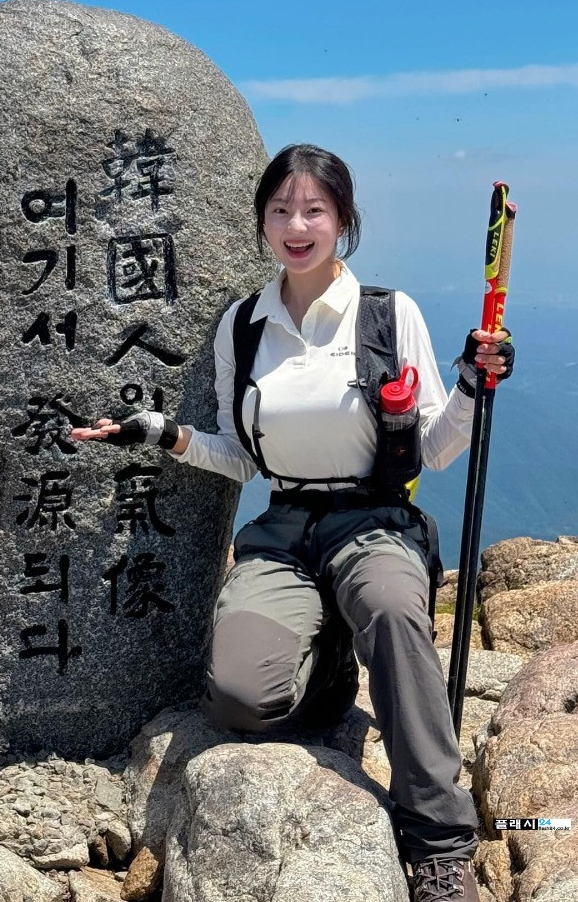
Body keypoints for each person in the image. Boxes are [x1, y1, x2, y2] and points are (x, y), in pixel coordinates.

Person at [72, 145, 514, 902]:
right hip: (285, 528)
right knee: (239, 698)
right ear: (261, 223)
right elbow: (241, 458)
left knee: (391, 609)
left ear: (344, 220)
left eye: (314, 209)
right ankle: (334, 669)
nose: (296, 225)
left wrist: (476, 382)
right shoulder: (243, 326)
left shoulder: (386, 313)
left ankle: (438, 841)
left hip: (373, 519)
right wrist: (157, 432)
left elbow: (437, 447)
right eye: (280, 210)